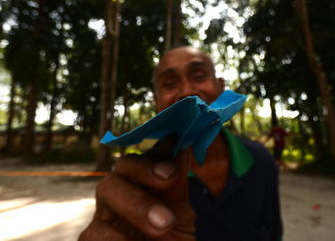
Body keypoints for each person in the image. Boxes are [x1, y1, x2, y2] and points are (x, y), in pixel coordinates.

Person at [78, 46, 283, 241]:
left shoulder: (261, 160)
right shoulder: (144, 181)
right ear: (157, 102)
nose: (187, 91)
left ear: (221, 87)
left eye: (199, 76)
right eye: (169, 83)